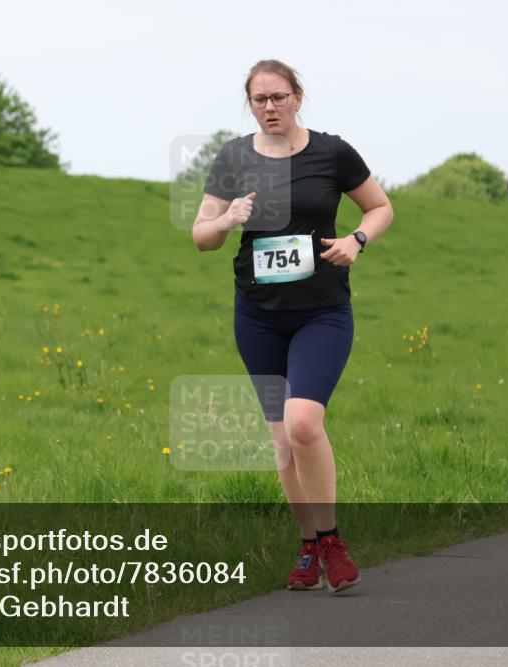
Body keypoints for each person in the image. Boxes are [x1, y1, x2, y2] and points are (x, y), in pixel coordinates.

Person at [192, 59, 393, 591]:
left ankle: (332, 540)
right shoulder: (234, 157)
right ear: (250, 104)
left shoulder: (332, 152)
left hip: (322, 311)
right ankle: (310, 544)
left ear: (298, 97)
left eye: (279, 97)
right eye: (260, 100)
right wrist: (226, 219)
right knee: (281, 443)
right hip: (257, 316)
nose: (270, 108)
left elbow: (380, 207)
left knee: (304, 423)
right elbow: (201, 236)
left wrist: (357, 240)